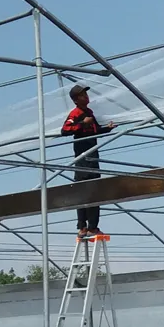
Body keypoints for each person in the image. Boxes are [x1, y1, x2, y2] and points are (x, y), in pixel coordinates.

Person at [61, 85, 114, 239]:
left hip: (92, 155)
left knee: (93, 190)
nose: (86, 97)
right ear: (76, 99)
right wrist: (82, 124)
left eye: (86, 94)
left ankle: (90, 226)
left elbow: (95, 129)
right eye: (83, 95)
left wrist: (107, 129)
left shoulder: (89, 113)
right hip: (83, 158)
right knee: (85, 190)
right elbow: (65, 130)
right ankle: (85, 227)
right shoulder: (76, 113)